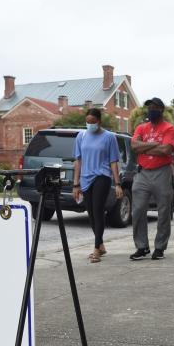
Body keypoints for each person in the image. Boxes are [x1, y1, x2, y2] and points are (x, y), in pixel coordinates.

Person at [72, 108, 123, 262]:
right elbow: (78, 161)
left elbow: (114, 161)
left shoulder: (109, 137)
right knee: (91, 214)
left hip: (102, 176)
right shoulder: (81, 136)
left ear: (99, 121)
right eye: (88, 122)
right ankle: (101, 245)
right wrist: (76, 184)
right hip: (86, 178)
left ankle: (95, 249)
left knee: (98, 210)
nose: (90, 125)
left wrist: (118, 183)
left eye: (93, 122)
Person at [129, 98, 174, 260]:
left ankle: (160, 247)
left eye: (155, 108)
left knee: (164, 211)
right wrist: (155, 146)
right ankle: (142, 247)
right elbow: (134, 146)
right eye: (149, 108)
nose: (151, 110)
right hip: (142, 173)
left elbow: (166, 150)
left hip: (162, 172)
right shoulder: (141, 127)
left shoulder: (169, 128)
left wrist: (145, 147)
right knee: (138, 210)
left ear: (161, 110)